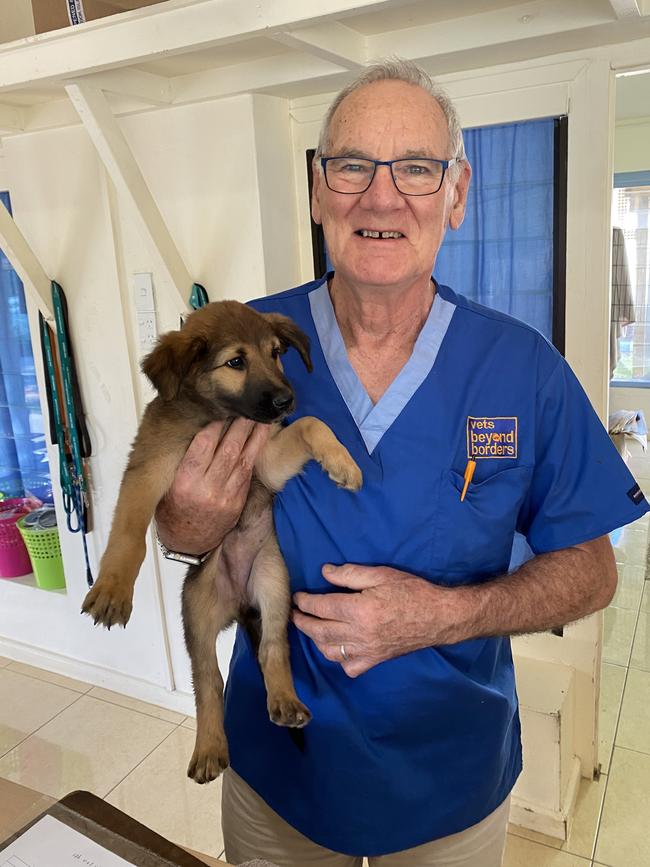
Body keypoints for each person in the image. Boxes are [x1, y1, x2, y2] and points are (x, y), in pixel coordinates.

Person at [156, 59, 648, 866]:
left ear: (455, 196)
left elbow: (594, 572)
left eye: (417, 168)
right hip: (279, 775)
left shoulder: (521, 368)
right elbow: (174, 518)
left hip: (448, 783)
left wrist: (441, 616)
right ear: (319, 190)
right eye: (352, 165)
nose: (381, 198)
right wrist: (187, 522)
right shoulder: (242, 342)